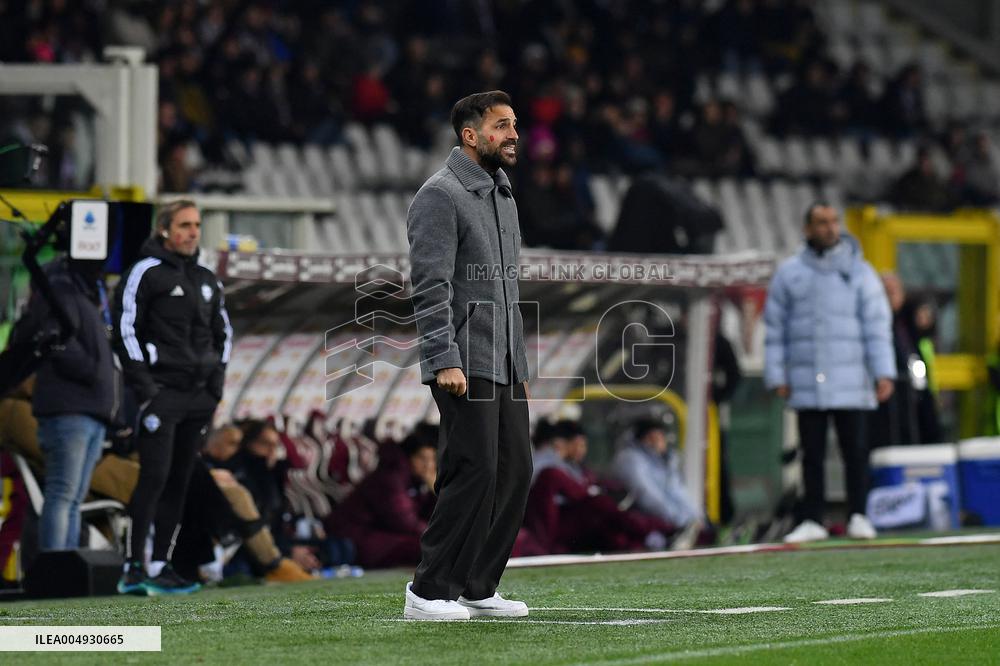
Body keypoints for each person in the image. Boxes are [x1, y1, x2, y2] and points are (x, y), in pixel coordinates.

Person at [403, 90, 531, 621]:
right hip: (463, 359)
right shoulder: (440, 194)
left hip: (504, 362)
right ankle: (428, 590)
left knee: (515, 472)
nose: (513, 134)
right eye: (502, 125)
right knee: (472, 470)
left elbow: (509, 292)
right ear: (471, 135)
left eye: (514, 124)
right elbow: (430, 287)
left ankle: (478, 584)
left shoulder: (504, 196)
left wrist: (519, 365)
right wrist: (444, 357)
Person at [113, 199, 232, 595]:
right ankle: (134, 566)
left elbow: (224, 334)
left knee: (180, 481)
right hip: (161, 393)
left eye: (196, 225)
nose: (192, 232)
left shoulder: (206, 278)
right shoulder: (144, 272)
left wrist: (215, 387)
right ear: (164, 229)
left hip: (198, 397)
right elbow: (125, 330)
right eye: (184, 225)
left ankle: (161, 564)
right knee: (154, 478)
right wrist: (146, 387)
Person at [764, 203, 896, 543]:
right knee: (811, 454)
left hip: (853, 379)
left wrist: (883, 371)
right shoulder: (790, 273)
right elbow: (775, 328)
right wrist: (777, 374)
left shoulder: (860, 272)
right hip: (807, 380)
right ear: (807, 228)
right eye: (822, 222)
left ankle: (859, 514)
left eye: (834, 221)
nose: (830, 228)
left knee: (855, 451)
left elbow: (877, 325)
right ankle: (812, 518)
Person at [22, 255, 117, 551]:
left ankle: (66, 567)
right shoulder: (59, 289)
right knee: (63, 494)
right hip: (68, 410)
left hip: (89, 410)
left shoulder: (80, 295)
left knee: (73, 498)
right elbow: (56, 340)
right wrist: (92, 371)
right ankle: (55, 566)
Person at [327, 431, 437, 569]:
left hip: (377, 536)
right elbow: (404, 522)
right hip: (353, 537)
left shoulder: (416, 480)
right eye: (422, 458)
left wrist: (434, 492)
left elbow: (428, 518)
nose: (428, 465)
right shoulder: (391, 478)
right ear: (409, 457)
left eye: (432, 459)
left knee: (436, 545)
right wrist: (438, 534)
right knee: (432, 547)